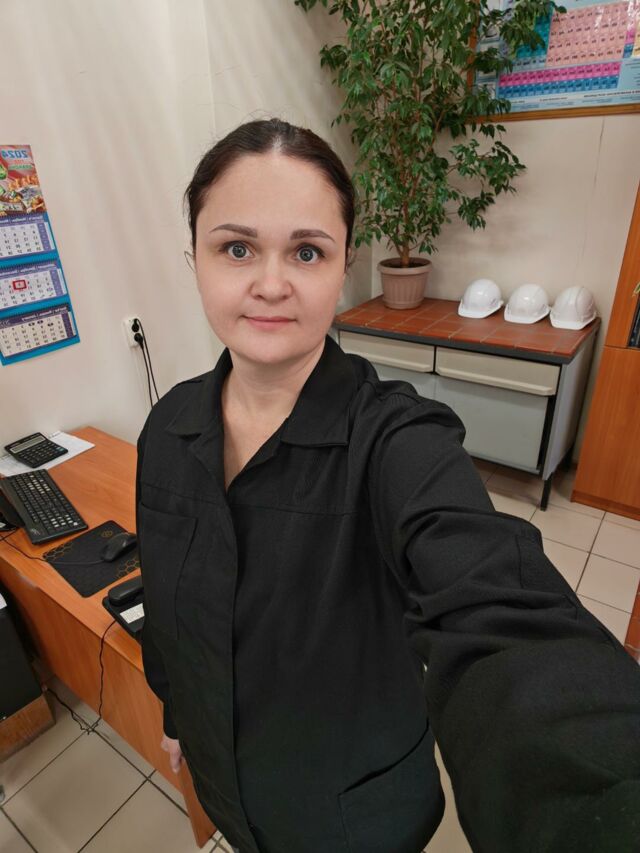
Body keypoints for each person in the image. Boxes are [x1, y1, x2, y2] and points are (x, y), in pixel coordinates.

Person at [136, 118, 640, 853]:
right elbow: (165, 595)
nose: (271, 284)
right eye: (236, 248)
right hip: (227, 784)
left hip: (354, 819)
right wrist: (176, 711)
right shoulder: (167, 427)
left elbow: (499, 610)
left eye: (307, 251)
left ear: (345, 266)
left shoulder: (398, 441)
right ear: (194, 259)